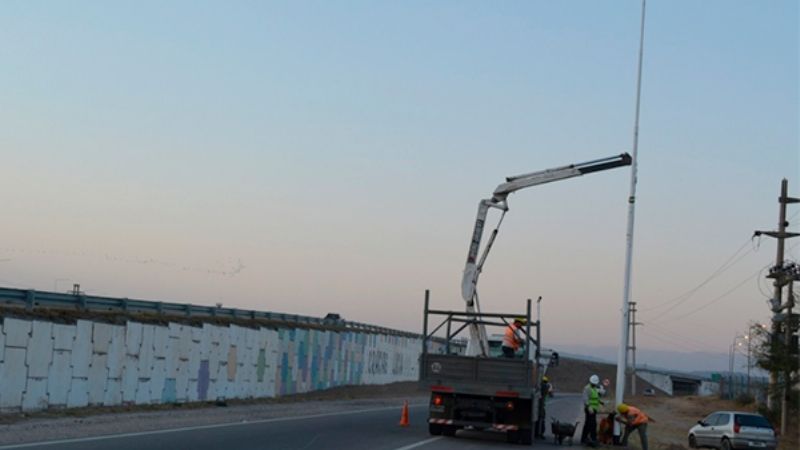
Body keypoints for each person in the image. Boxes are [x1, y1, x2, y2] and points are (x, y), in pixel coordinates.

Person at [580, 374, 605, 447]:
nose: (594, 384)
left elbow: (595, 398)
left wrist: (600, 402)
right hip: (589, 409)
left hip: (594, 409)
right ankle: (593, 439)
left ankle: (584, 439)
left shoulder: (595, 388)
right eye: (593, 383)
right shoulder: (587, 388)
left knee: (587, 424)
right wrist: (589, 407)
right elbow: (585, 398)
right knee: (593, 424)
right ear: (591, 382)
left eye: (595, 383)